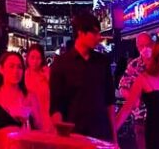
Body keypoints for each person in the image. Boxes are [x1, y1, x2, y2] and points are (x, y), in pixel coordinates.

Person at [49, 12, 116, 142]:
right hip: (74, 134)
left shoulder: (102, 62)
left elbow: (109, 101)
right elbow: (56, 105)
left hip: (101, 134)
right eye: (94, 33)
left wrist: (114, 136)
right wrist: (60, 134)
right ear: (81, 33)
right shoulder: (61, 63)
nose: (98, 37)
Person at [0, 52, 51, 149]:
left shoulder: (29, 97)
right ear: (1, 69)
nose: (16, 71)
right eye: (11, 66)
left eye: (19, 67)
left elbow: (39, 126)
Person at [24, 44, 50, 119]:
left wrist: (48, 78)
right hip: (29, 116)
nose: (35, 61)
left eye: (38, 58)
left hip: (46, 115)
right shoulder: (23, 74)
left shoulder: (46, 73)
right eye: (32, 58)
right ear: (27, 58)